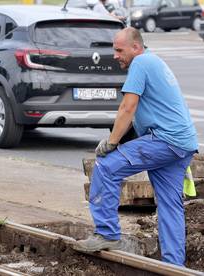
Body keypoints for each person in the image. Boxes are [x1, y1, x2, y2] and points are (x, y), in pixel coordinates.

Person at [73, 27, 198, 266]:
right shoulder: (155, 61)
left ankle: (106, 233)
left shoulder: (140, 63)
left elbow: (128, 108)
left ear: (136, 47)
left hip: (165, 140)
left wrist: (112, 143)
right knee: (170, 205)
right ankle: (174, 266)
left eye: (119, 50)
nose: (115, 55)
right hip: (182, 144)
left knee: (105, 166)